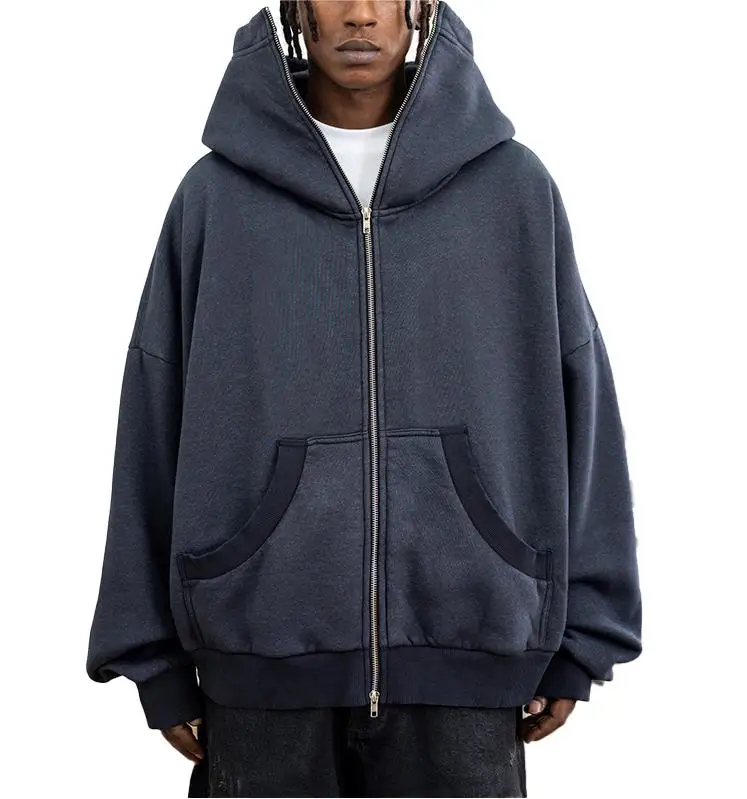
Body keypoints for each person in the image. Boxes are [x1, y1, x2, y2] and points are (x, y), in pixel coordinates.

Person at [86, 1, 643, 796]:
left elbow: (581, 405)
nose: (358, 13)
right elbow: (153, 414)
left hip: (467, 656)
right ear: (295, 8)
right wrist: (152, 657)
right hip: (258, 660)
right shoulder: (215, 197)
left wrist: (584, 635)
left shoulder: (513, 190)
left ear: (420, 7)